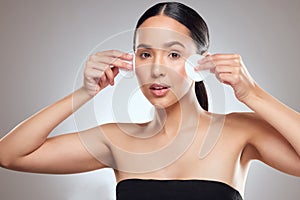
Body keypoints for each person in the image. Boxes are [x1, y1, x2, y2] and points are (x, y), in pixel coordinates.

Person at [0, 2, 299, 200]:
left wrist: (252, 94)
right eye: (145, 54)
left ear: (199, 63)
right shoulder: (116, 139)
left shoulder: (240, 132)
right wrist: (84, 93)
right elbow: (10, 155)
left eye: (173, 54)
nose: (156, 68)